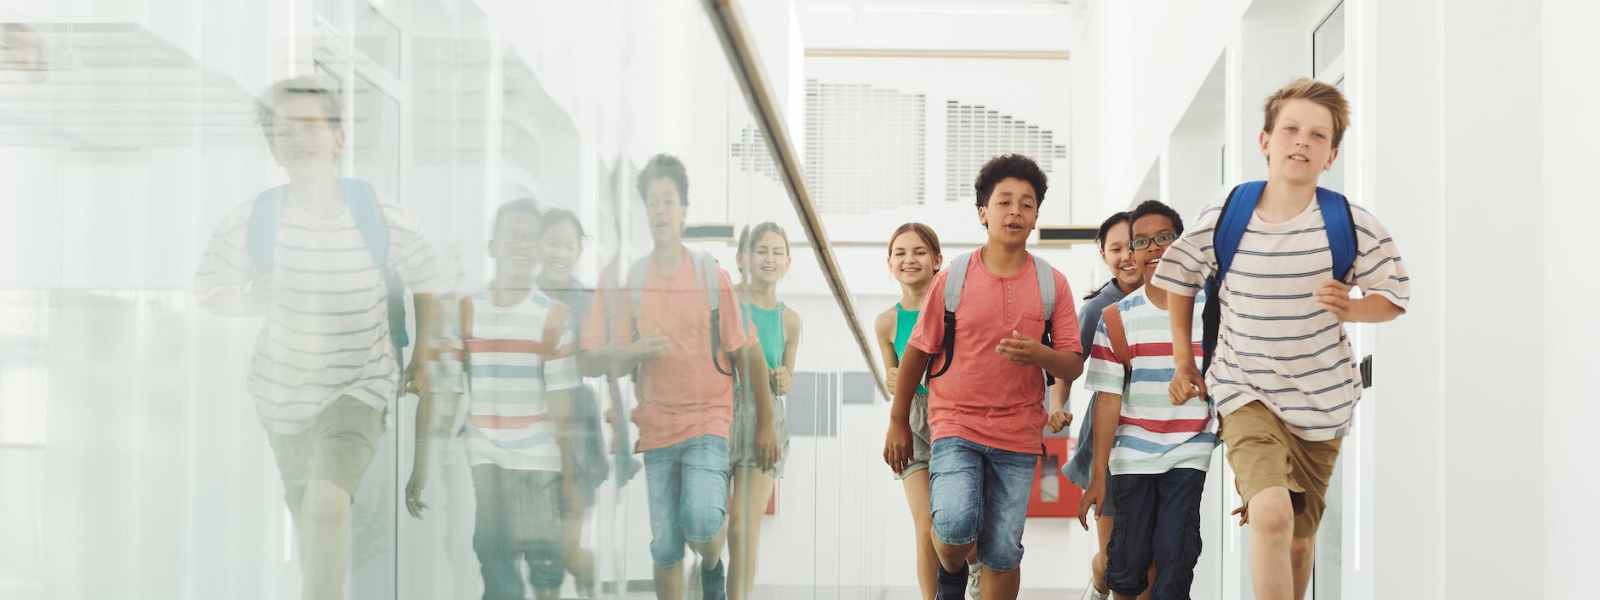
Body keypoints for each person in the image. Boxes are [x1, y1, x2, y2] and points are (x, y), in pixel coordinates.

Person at [1155, 79, 1410, 600]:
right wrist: (1186, 362)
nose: (1302, 142)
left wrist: (1352, 306)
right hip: (1245, 388)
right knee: (1271, 515)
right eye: (1290, 129)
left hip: (1322, 401)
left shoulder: (1350, 223)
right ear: (1264, 140)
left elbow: (1395, 297)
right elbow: (1177, 281)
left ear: (1332, 153)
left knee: (1297, 540)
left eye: (1318, 136)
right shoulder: (1229, 213)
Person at [195, 75, 442, 600]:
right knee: (311, 514)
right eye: (285, 128)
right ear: (272, 145)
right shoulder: (253, 220)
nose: (301, 137)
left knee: (328, 505)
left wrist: (422, 355)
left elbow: (429, 274)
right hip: (281, 392)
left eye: (314, 125)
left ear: (339, 137)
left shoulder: (376, 215)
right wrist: (251, 298)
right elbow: (209, 289)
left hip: (359, 382)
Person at [884, 154, 1084, 600]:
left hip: (1017, 434)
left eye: (1027, 204)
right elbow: (916, 354)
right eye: (1004, 201)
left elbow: (1072, 363)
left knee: (1002, 551)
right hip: (955, 425)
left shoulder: (1054, 284)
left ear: (1035, 217)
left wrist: (1040, 353)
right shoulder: (952, 278)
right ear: (983, 213)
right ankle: (951, 577)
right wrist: (898, 421)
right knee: (953, 527)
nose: (1015, 211)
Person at [580, 154, 779, 600]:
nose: (659, 211)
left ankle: (711, 562)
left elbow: (749, 355)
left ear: (684, 210)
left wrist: (766, 422)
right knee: (666, 545)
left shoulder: (710, 276)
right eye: (651, 203)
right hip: (654, 427)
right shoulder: (624, 277)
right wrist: (632, 351)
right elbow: (590, 359)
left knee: (704, 523)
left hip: (709, 420)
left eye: (668, 201)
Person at [1079, 200, 1216, 600]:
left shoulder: (1209, 313)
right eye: (1143, 241)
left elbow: (1226, 384)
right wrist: (1098, 475)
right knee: (1127, 565)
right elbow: (1107, 401)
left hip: (1189, 449)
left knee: (1176, 557)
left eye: (1164, 238)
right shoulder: (1117, 318)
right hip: (1132, 458)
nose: (1154, 248)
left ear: (1182, 244)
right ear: (1133, 252)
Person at [457, 199, 582, 600]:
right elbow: (453, 385)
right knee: (493, 557)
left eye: (530, 238)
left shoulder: (553, 316)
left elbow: (563, 407)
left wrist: (568, 477)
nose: (521, 246)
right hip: (486, 458)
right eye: (512, 236)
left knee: (543, 562)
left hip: (538, 462)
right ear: (492, 245)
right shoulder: (466, 311)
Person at [1062, 211, 1152, 600]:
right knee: (1117, 560)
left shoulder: (1175, 301)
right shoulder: (1098, 309)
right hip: (1110, 440)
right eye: (1116, 248)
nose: (1127, 256)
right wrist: (1056, 405)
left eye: (1135, 245)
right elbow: (1068, 364)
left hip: (1162, 437)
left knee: (1153, 560)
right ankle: (1101, 576)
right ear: (1103, 254)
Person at [536, 207, 613, 598]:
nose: (559, 253)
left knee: (564, 544)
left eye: (568, 245)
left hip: (575, 426)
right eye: (552, 242)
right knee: (541, 550)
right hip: (528, 422)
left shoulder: (588, 300)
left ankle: (583, 566)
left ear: (578, 250)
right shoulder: (520, 293)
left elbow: (603, 361)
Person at [723, 221, 799, 600]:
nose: (769, 259)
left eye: (776, 252)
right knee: (709, 525)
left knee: (743, 526)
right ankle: (706, 576)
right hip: (720, 411)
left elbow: (786, 376)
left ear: (788, 262)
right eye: (761, 251)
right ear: (743, 259)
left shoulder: (791, 320)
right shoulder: (728, 303)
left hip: (766, 418)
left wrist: (785, 377)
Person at [872, 222, 945, 600]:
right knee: (925, 523)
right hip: (913, 423)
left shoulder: (954, 312)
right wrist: (892, 382)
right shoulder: (886, 322)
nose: (909, 259)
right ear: (889, 263)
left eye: (918, 252)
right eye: (899, 253)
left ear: (937, 260)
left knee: (959, 523)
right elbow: (892, 379)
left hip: (953, 418)